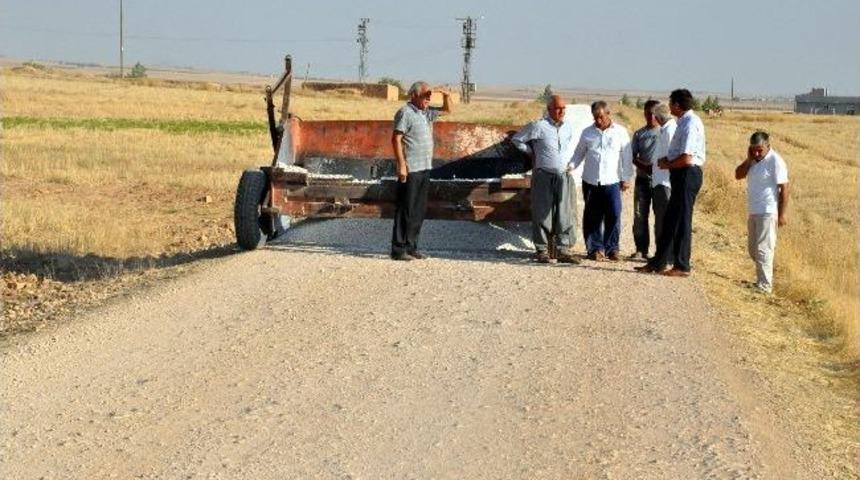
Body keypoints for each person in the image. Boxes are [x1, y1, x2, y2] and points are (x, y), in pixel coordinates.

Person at [636, 89, 706, 276]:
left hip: (687, 174)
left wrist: (667, 164)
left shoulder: (691, 123)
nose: (668, 106)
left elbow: (687, 158)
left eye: (670, 102)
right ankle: (658, 262)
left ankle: (682, 266)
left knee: (682, 221)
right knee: (670, 220)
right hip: (679, 174)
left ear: (676, 105)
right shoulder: (682, 122)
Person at [512, 95, 578, 264]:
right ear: (549, 109)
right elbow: (517, 140)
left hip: (563, 176)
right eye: (558, 108)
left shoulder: (568, 128)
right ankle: (542, 250)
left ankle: (562, 249)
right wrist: (531, 152)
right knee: (542, 213)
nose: (561, 111)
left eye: (563, 108)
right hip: (543, 175)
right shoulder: (538, 126)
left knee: (564, 213)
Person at [390, 81, 452, 261]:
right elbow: (396, 139)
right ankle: (398, 249)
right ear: (414, 95)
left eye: (429, 97)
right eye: (425, 96)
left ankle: (411, 246)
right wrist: (402, 165)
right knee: (406, 208)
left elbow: (448, 110)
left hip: (425, 167)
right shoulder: (405, 113)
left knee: (418, 210)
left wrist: (446, 95)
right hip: (411, 168)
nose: (428, 100)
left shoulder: (426, 113)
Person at [570, 100, 634, 261]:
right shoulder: (587, 133)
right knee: (592, 215)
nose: (598, 121)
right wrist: (570, 166)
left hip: (612, 180)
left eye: (601, 117)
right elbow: (579, 153)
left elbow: (627, 156)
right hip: (591, 180)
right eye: (595, 117)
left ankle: (612, 248)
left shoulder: (620, 132)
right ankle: (594, 249)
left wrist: (626, 177)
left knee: (614, 213)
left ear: (608, 114)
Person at [734, 131, 789, 293]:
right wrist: (748, 160)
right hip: (754, 211)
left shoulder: (775, 161)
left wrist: (782, 214)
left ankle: (764, 286)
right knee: (753, 250)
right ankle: (762, 280)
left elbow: (785, 189)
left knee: (764, 249)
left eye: (760, 150)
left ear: (768, 146)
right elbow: (738, 175)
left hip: (768, 211)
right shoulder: (752, 160)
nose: (757, 153)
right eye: (753, 149)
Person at [629, 100, 662, 260]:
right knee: (639, 215)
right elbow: (632, 156)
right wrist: (644, 166)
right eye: (648, 113)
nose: (651, 117)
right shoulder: (639, 134)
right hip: (642, 179)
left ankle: (661, 252)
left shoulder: (666, 132)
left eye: (654, 113)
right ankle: (641, 249)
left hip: (660, 181)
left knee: (660, 216)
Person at [650, 103, 676, 253]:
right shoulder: (665, 129)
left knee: (664, 220)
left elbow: (674, 154)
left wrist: (664, 162)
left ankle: (665, 255)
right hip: (660, 180)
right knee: (660, 219)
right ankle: (662, 254)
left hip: (665, 181)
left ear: (658, 117)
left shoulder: (670, 130)